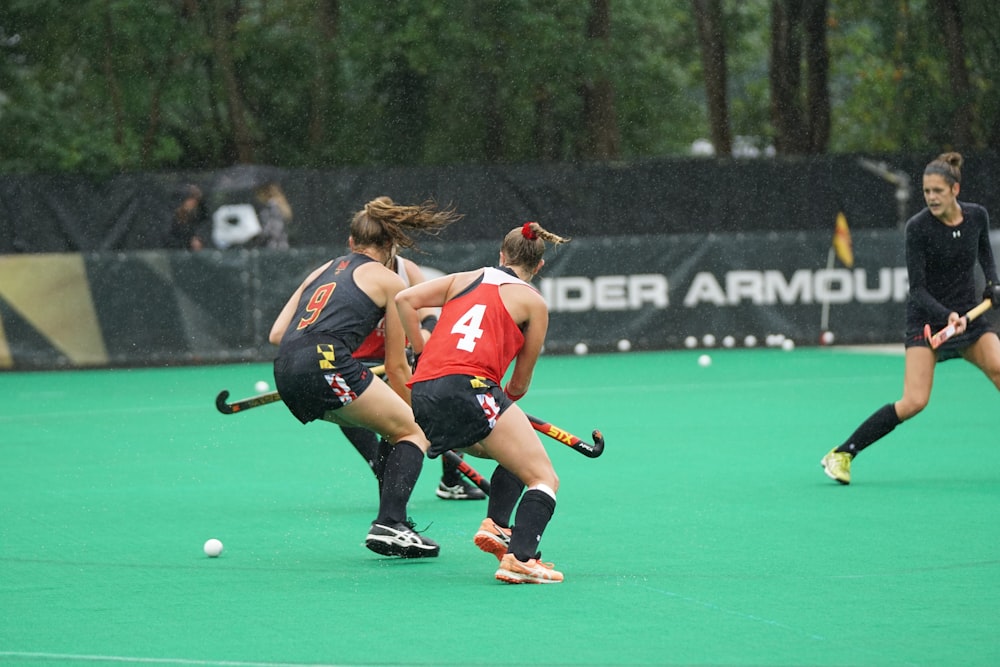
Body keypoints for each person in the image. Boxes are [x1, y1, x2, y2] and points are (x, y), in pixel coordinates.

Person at [268, 196, 461, 557]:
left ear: (352, 243)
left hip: (284, 368)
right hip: (326, 362)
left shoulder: (323, 270)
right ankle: (391, 523)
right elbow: (397, 368)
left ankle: (392, 523)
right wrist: (425, 417)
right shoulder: (390, 281)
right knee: (413, 430)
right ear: (391, 245)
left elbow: (277, 334)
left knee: (393, 426)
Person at [396, 221, 571, 584]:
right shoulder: (533, 303)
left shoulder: (464, 277)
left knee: (517, 453)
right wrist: (502, 401)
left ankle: (498, 526)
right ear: (539, 266)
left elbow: (404, 300)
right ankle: (521, 559)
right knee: (543, 476)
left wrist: (419, 348)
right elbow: (519, 384)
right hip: (471, 388)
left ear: (502, 255)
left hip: (423, 393)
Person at [821, 152, 1000, 485]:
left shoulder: (977, 217)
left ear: (955, 190)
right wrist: (946, 315)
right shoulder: (918, 228)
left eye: (938, 191)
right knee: (915, 401)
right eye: (927, 191)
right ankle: (843, 452)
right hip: (928, 320)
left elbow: (985, 255)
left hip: (968, 321)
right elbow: (916, 290)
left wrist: (993, 284)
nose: (931, 197)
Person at [343, 254, 487, 501]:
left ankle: (451, 481)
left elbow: (430, 317)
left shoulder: (406, 270)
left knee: (444, 403)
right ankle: (384, 479)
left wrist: (420, 339)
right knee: (350, 413)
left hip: (400, 361)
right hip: (358, 364)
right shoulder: (352, 274)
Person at [165, 184, 211, 251]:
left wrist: (199, 239)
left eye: (196, 201)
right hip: (176, 254)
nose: (193, 203)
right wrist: (189, 242)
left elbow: (205, 227)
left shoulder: (199, 216)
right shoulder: (171, 218)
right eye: (191, 199)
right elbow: (168, 238)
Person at [254, 182, 293, 249]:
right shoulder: (278, 205)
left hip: (273, 243)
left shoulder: (271, 206)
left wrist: (260, 236)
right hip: (281, 242)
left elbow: (270, 226)